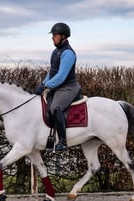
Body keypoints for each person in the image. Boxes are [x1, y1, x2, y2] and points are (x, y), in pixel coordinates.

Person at [36, 22, 81, 152]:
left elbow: (61, 76)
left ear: (63, 36)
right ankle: (49, 139)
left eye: (55, 35)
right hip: (57, 87)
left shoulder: (68, 53)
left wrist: (46, 85)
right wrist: (43, 83)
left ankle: (63, 142)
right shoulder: (55, 52)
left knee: (56, 107)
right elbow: (52, 72)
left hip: (68, 87)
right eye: (53, 35)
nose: (52, 38)